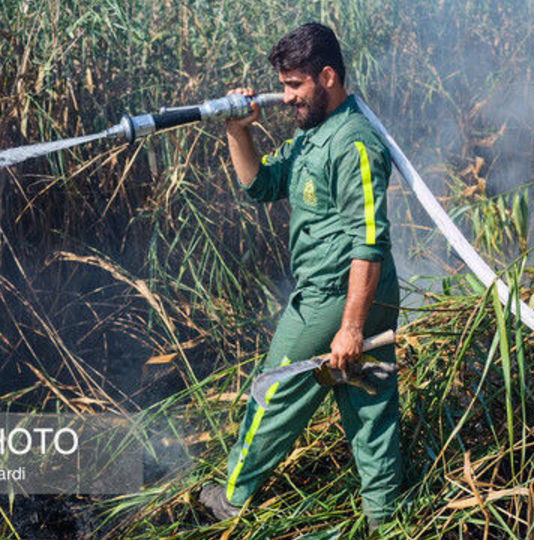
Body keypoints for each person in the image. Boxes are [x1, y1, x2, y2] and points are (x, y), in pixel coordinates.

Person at [199, 22, 402, 530]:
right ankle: (387, 519)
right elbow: (261, 185)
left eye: (294, 85)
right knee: (369, 406)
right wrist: (237, 130)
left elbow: (368, 241)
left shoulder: (353, 141)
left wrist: (351, 327)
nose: (285, 97)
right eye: (283, 84)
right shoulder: (313, 133)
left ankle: (231, 498)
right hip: (354, 295)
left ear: (327, 76)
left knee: (272, 392)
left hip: (336, 297)